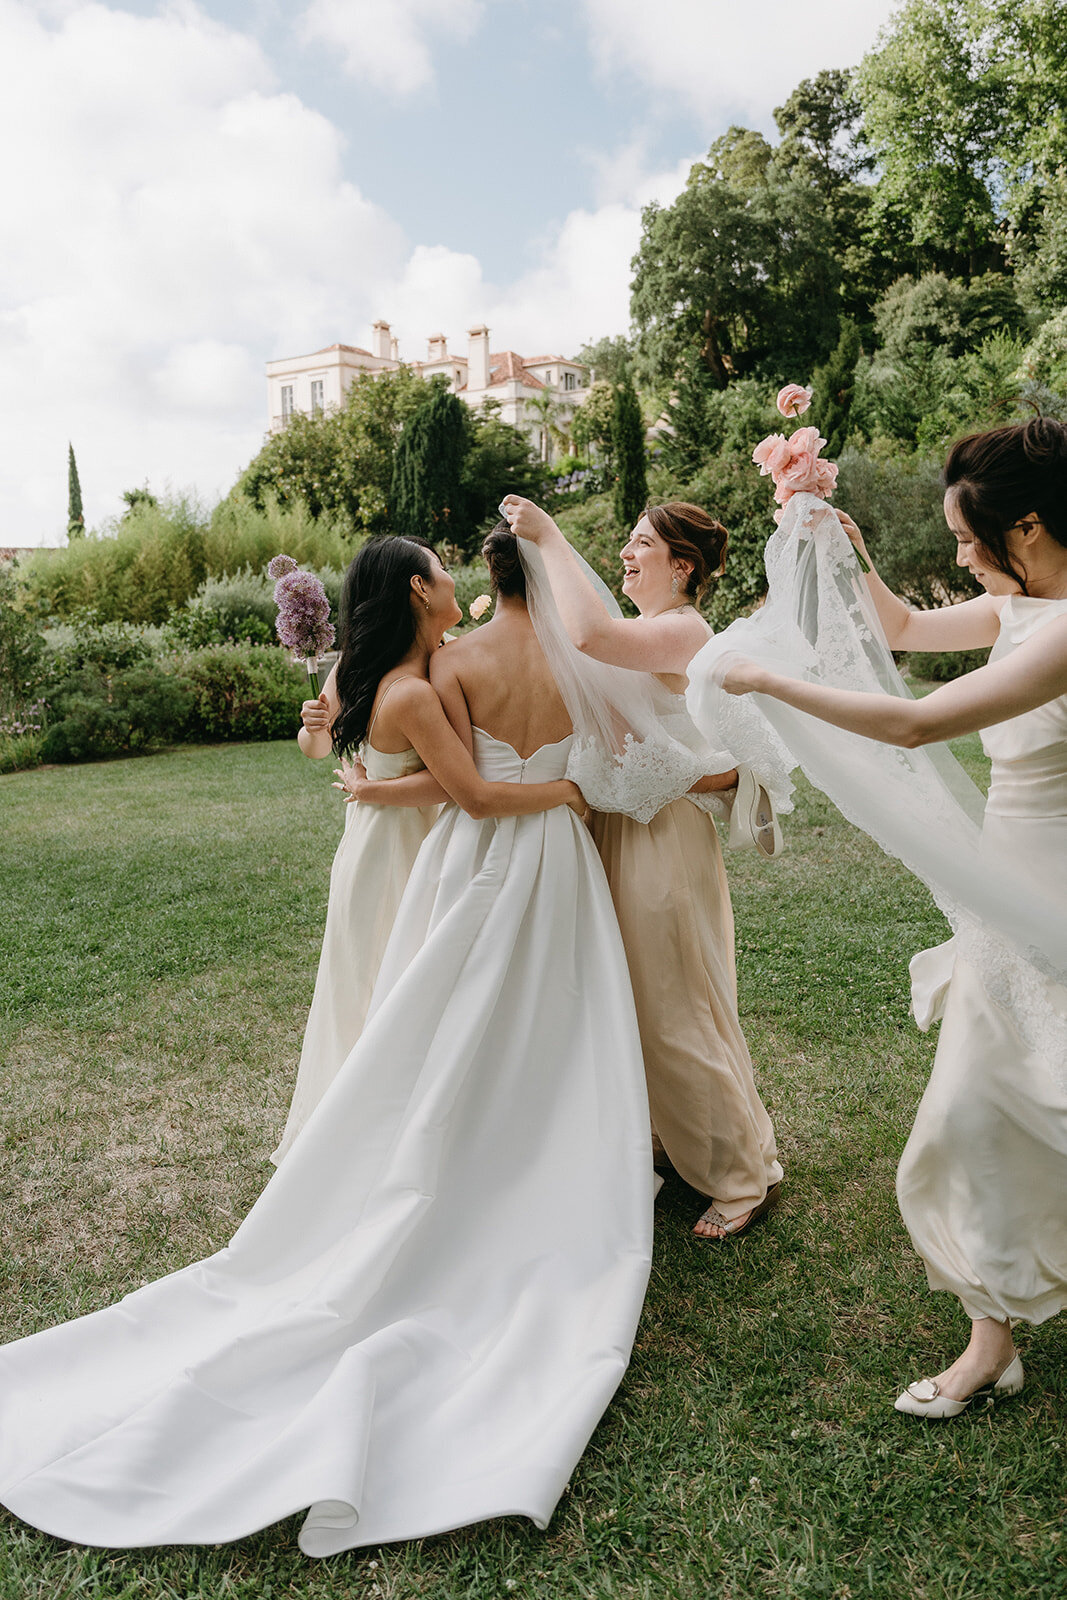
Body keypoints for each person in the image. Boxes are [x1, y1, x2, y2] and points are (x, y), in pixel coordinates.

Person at [0, 526, 655, 1556]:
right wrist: (572, 791)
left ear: (478, 579)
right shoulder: (548, 668)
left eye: (455, 568)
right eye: (431, 573)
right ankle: (524, 1151)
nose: (447, 583)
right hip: (546, 856)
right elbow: (527, 768)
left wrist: (361, 762)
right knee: (535, 1018)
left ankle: (453, 1145)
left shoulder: (450, 663)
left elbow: (444, 773)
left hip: (471, 859)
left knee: (437, 1017)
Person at [713, 418, 1067, 1415]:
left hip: (1053, 886)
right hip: (1007, 890)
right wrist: (832, 537)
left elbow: (914, 719)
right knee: (972, 1107)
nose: (958, 556)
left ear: (1027, 529)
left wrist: (769, 681)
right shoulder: (1014, 609)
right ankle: (988, 1340)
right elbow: (903, 629)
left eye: (965, 539)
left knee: (1032, 1101)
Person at [501, 496, 784, 1240]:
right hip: (621, 829)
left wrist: (551, 536)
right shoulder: (647, 630)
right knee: (630, 1000)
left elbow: (588, 635)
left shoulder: (681, 628)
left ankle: (738, 1178)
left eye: (638, 544)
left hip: (661, 838)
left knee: (672, 1006)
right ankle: (672, 1137)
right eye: (625, 543)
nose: (624, 555)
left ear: (680, 566)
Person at [272, 535, 583, 1162]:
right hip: (399, 852)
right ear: (418, 589)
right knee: (394, 988)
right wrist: (317, 735)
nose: (451, 577)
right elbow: (454, 779)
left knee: (389, 984)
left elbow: (417, 773)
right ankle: (380, 1133)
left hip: (391, 839)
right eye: (440, 570)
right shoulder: (406, 688)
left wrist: (368, 786)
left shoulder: (403, 664)